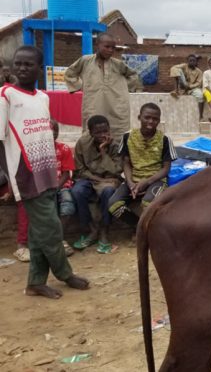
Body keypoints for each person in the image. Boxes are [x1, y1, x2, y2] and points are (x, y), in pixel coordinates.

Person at [0, 45, 89, 299]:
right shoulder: (6, 95)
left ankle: (35, 282)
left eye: (29, 64)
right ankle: (65, 273)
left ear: (40, 68)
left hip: (47, 169)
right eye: (18, 63)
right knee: (51, 229)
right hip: (24, 173)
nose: (22, 68)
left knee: (40, 232)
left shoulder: (42, 98)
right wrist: (9, 176)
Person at [64, 32, 141, 144]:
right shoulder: (85, 61)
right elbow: (70, 73)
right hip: (93, 105)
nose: (110, 50)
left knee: (118, 137)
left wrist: (122, 87)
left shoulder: (118, 64)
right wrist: (79, 86)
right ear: (97, 45)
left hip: (116, 107)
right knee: (91, 136)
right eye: (107, 46)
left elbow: (134, 76)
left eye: (113, 48)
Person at [108, 103, 176, 227]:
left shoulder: (165, 139)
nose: (151, 121)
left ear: (159, 121)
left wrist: (147, 182)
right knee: (113, 205)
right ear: (139, 117)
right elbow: (126, 162)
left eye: (155, 119)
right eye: (147, 117)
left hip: (156, 179)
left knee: (148, 204)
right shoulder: (127, 136)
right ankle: (138, 228)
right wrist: (130, 183)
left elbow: (166, 169)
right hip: (133, 178)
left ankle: (149, 233)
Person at [71, 115, 122, 254]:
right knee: (77, 191)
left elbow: (116, 170)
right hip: (88, 178)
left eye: (105, 131)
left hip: (109, 179)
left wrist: (103, 151)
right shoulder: (82, 143)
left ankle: (104, 232)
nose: (102, 135)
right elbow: (80, 170)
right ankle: (90, 231)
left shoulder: (115, 145)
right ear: (90, 132)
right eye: (98, 132)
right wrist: (98, 180)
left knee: (109, 191)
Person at [50, 119, 76, 257]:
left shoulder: (63, 149)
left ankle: (60, 239)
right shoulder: (37, 151)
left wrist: (57, 187)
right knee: (49, 209)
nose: (53, 133)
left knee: (68, 206)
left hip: (61, 185)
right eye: (50, 130)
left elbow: (67, 173)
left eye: (55, 130)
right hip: (44, 188)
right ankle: (54, 241)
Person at [169, 54, 204, 119]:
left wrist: (190, 86)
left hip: (192, 88)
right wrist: (185, 85)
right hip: (183, 85)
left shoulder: (199, 72)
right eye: (190, 60)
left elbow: (198, 83)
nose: (192, 62)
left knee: (200, 95)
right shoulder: (184, 66)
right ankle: (176, 90)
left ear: (196, 62)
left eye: (193, 61)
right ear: (187, 61)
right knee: (177, 70)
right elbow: (174, 68)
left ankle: (201, 115)